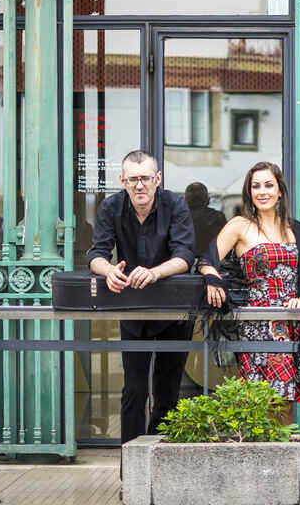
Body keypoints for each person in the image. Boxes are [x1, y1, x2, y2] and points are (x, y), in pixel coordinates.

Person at [199, 161, 300, 414]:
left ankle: (284, 453)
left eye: (269, 185)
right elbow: (206, 259)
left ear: (280, 191)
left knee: (285, 401)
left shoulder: (296, 229)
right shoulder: (239, 225)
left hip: (292, 322)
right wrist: (212, 276)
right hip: (257, 323)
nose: (262, 191)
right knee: (258, 401)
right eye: (256, 186)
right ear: (249, 192)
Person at [87, 149, 195, 443]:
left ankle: (156, 465)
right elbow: (96, 254)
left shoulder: (175, 204)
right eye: (133, 179)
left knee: (167, 392)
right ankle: (131, 472)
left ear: (157, 179)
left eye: (146, 178)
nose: (139, 185)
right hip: (134, 311)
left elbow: (185, 255)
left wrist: (155, 272)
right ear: (122, 180)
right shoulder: (111, 207)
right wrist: (108, 271)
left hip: (174, 313)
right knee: (133, 392)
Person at [184, 181, 227, 265]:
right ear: (208, 200)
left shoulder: (178, 218)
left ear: (185, 200)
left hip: (183, 263)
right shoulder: (218, 217)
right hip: (213, 263)